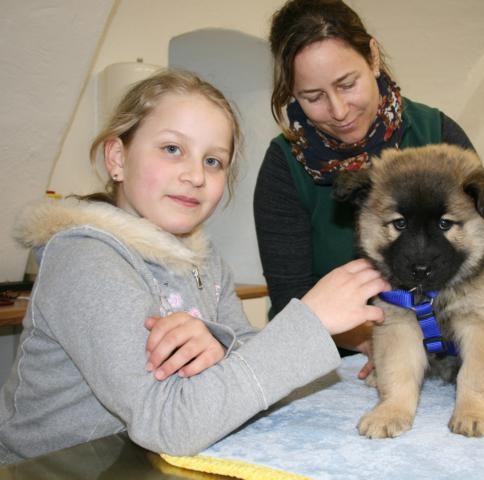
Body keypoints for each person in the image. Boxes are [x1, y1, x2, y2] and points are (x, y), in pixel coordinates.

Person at [0, 69, 388, 465]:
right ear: (117, 158)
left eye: (214, 161)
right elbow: (168, 423)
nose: (196, 176)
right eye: (172, 149)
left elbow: (241, 349)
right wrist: (312, 321)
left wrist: (219, 346)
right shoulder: (85, 259)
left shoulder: (202, 257)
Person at [254, 0, 475, 376]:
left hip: (440, 347)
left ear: (372, 57)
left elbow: (481, 255)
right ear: (292, 92)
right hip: (327, 360)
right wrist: (375, 342)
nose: (338, 110)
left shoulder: (437, 136)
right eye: (313, 97)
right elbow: (291, 295)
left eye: (347, 84)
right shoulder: (283, 167)